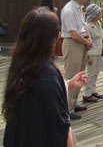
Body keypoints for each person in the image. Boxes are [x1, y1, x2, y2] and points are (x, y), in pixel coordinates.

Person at [2, 8, 88, 147]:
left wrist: (68, 84)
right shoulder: (48, 74)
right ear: (51, 38)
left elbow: (36, 93)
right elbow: (58, 128)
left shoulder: (22, 64)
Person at [61, 0, 93, 120]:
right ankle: (67, 108)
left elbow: (82, 25)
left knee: (80, 74)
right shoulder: (68, 10)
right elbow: (73, 34)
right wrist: (87, 42)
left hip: (81, 43)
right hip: (73, 44)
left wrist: (89, 38)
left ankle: (74, 103)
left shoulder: (79, 8)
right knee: (71, 75)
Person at [83, 4, 103, 102]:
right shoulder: (87, 26)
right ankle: (87, 93)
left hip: (98, 51)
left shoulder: (97, 24)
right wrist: (88, 56)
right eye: (98, 14)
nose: (100, 15)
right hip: (92, 52)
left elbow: (99, 35)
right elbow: (86, 42)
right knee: (90, 73)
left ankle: (93, 90)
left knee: (96, 72)